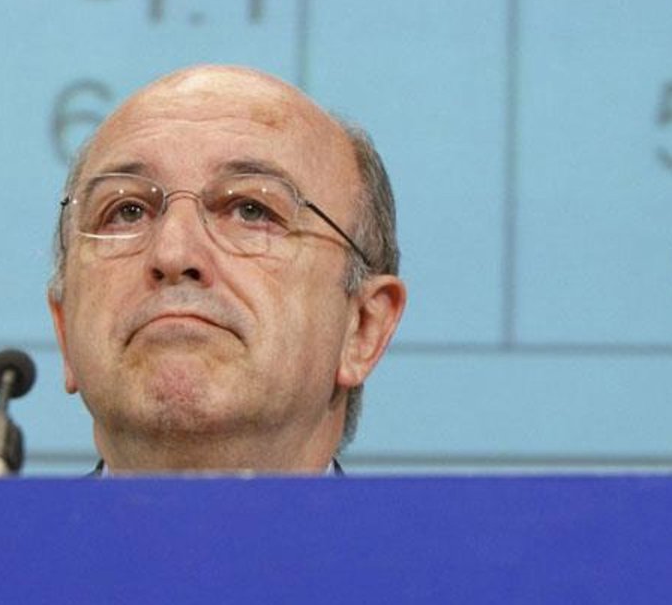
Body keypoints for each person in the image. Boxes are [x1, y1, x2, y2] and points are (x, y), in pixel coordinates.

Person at [47, 65, 406, 474]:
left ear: (362, 328)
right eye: (127, 211)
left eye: (251, 210)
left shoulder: (458, 522)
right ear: (63, 327)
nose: (173, 254)